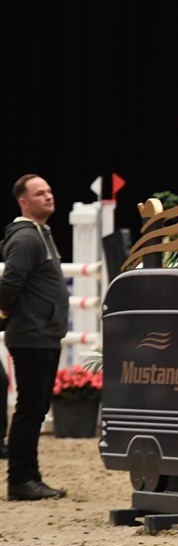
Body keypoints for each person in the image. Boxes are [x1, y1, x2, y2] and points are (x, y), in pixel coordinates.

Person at [1, 175, 70, 501]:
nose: (48, 196)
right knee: (30, 410)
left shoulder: (40, 233)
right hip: (32, 335)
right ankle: (20, 480)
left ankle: (30, 477)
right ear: (23, 202)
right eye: (39, 193)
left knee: (35, 409)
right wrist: (6, 312)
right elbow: (10, 282)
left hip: (41, 333)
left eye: (49, 191)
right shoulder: (27, 238)